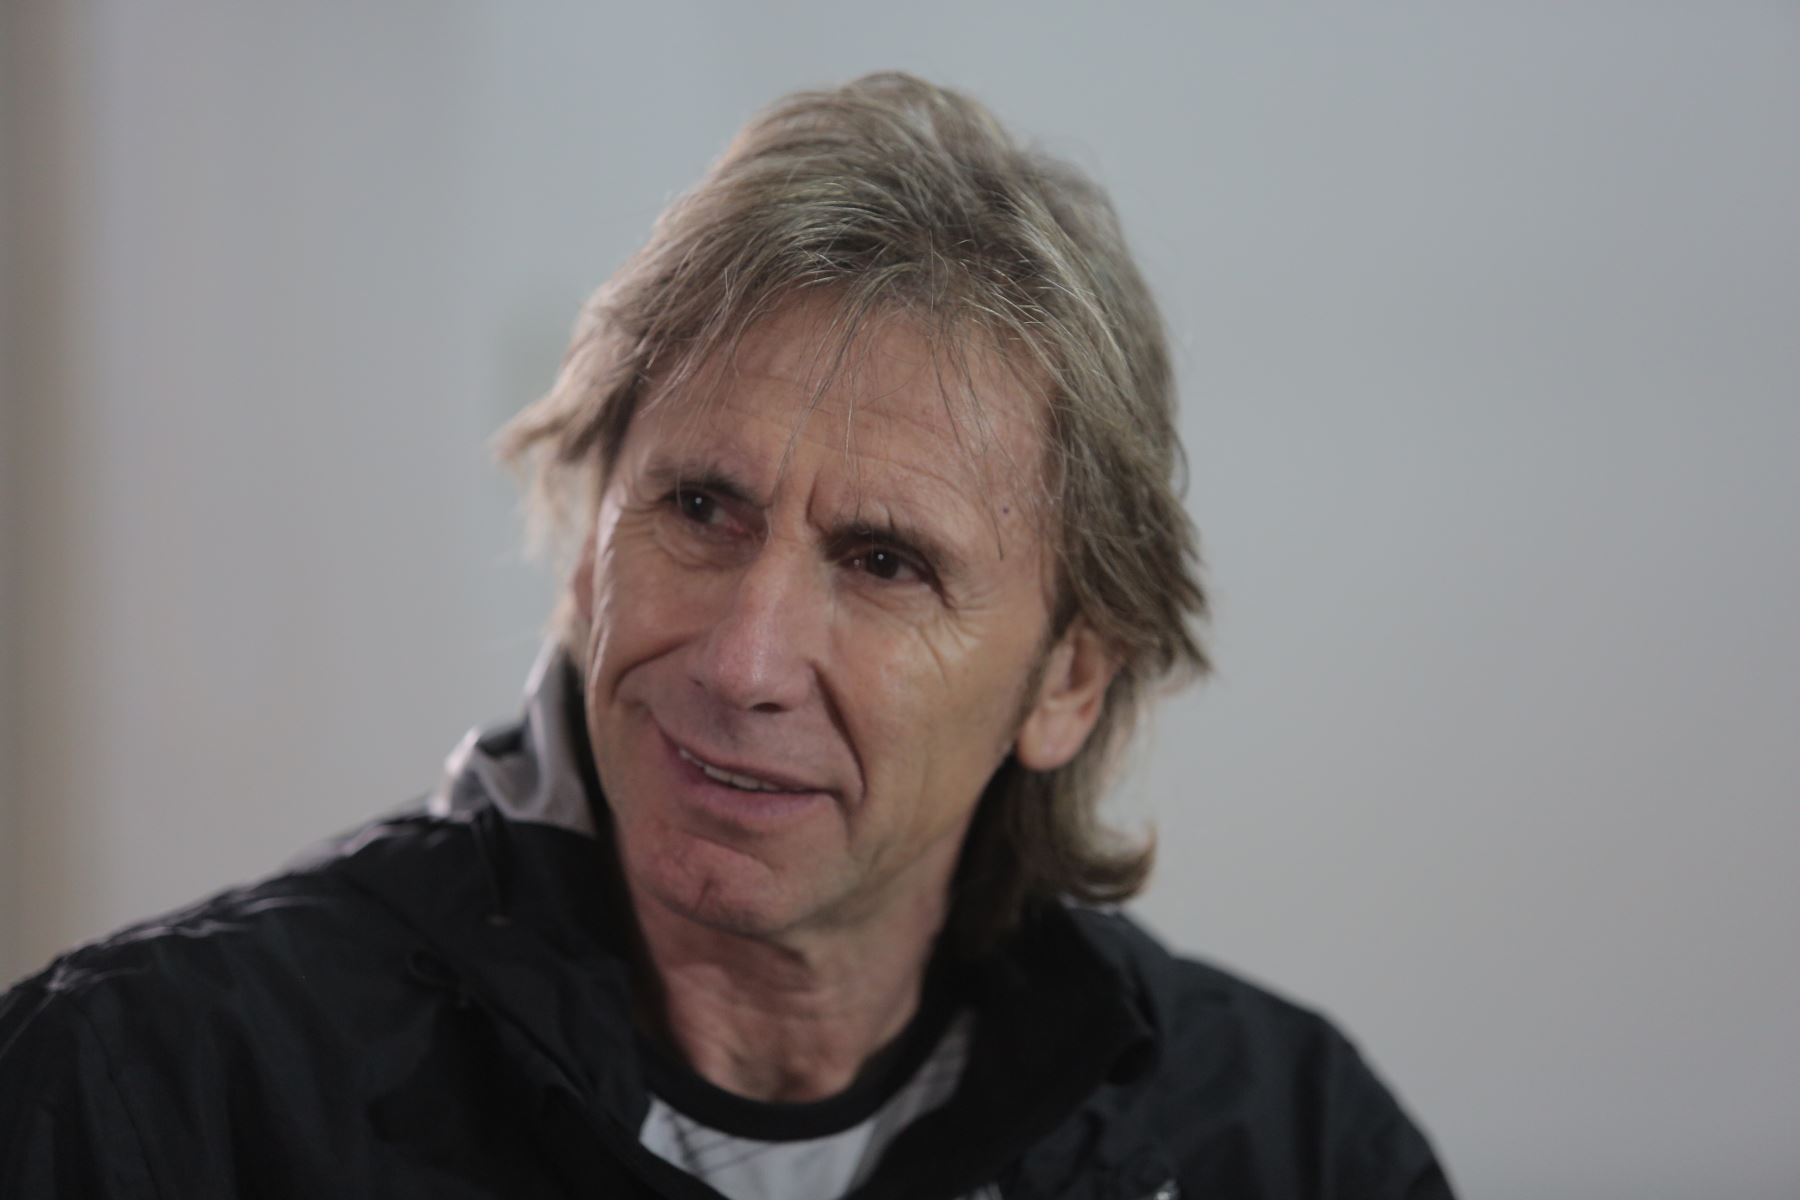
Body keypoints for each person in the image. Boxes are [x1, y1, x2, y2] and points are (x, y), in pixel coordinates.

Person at [0, 73, 1453, 1198]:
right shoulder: (156, 1101)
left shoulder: (1288, 1145)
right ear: (589, 545)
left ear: (1067, 678)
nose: (743, 662)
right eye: (700, 507)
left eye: (883, 563)